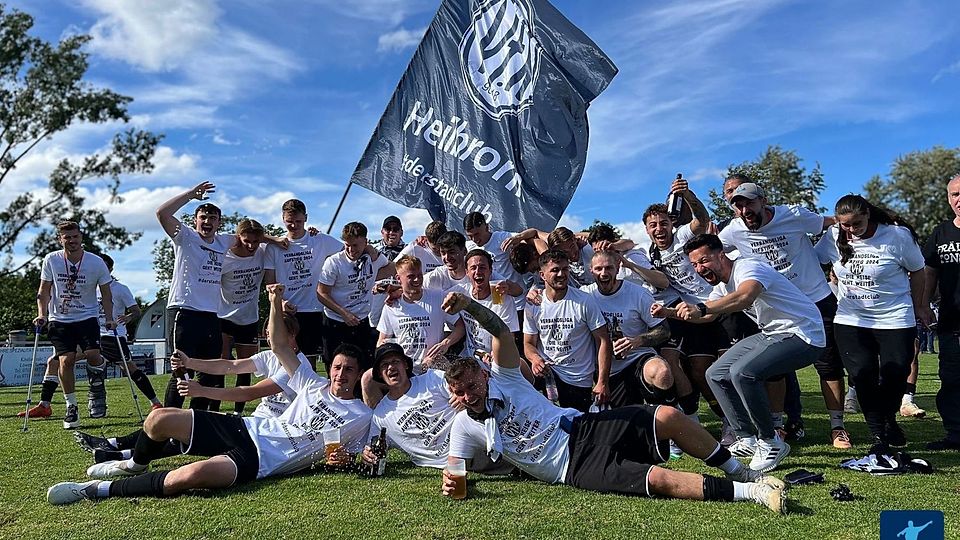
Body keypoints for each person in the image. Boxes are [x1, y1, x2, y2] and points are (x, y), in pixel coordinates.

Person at [439, 291, 787, 513]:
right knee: (658, 479)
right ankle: (752, 492)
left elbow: (501, 331)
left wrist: (469, 305)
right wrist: (452, 482)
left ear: (484, 375)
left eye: (472, 385)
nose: (469, 396)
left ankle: (741, 470)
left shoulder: (506, 378)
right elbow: (455, 471)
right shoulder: (464, 425)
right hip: (572, 468)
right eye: (460, 392)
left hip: (581, 426)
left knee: (667, 416)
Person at [47, 283, 372, 505]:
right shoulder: (310, 382)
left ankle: (96, 490)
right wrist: (274, 302)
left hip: (261, 460)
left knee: (186, 477)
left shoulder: (361, 416)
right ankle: (134, 463)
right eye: (337, 367)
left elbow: (360, 454)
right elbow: (270, 347)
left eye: (349, 370)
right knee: (159, 420)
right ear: (330, 369)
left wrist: (349, 459)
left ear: (358, 375)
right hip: (248, 428)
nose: (341, 374)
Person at [658, 234, 825, 472]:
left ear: (721, 255)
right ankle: (746, 438)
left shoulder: (748, 267)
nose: (699, 269)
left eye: (704, 261)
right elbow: (707, 317)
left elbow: (745, 296)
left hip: (804, 333)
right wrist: (670, 313)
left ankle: (770, 441)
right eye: (694, 264)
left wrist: (701, 307)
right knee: (716, 373)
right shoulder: (721, 286)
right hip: (772, 333)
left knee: (743, 372)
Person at [74, 311, 311, 462]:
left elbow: (250, 393)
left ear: (292, 336)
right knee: (183, 424)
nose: (271, 339)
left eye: (276, 334)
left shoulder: (297, 366)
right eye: (268, 334)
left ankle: (121, 452)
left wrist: (202, 391)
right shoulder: (270, 356)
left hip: (273, 431)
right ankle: (120, 449)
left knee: (191, 427)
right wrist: (189, 362)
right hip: (255, 423)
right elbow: (230, 365)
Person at [720, 177, 849, 449]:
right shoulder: (734, 231)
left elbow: (831, 223)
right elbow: (712, 251)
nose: (745, 211)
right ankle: (777, 427)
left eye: (749, 204)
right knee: (773, 370)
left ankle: (837, 428)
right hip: (777, 308)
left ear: (763, 201)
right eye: (738, 206)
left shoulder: (793, 215)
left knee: (829, 366)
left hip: (816, 300)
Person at [815, 195, 925, 450]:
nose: (851, 230)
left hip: (894, 317)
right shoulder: (833, 235)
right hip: (850, 319)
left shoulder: (896, 236)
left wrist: (919, 305)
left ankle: (888, 420)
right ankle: (879, 432)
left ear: (868, 215)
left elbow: (918, 270)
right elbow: (811, 259)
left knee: (895, 374)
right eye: (845, 225)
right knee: (863, 375)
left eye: (857, 224)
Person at [640, 181, 731, 431]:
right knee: (700, 371)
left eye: (663, 223)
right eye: (653, 225)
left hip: (721, 305)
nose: (659, 229)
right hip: (694, 314)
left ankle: (763, 422)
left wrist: (687, 195)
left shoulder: (682, 236)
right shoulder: (651, 253)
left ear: (671, 224)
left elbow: (701, 219)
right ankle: (725, 420)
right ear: (646, 229)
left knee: (730, 369)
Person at [358, 343, 510, 473]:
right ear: (379, 374)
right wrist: (368, 455)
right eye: (384, 365)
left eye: (395, 361)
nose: (391, 367)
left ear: (405, 365)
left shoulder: (432, 378)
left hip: (473, 440)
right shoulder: (380, 416)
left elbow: (464, 392)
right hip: (454, 461)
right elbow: (373, 448)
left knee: (506, 446)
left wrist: (462, 399)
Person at [156, 181, 234, 410]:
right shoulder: (185, 237)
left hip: (210, 315)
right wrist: (190, 195)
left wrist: (278, 240)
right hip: (184, 311)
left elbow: (252, 235)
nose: (207, 222)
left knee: (209, 372)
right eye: (203, 217)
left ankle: (196, 421)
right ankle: (170, 420)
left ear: (219, 223)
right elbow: (162, 213)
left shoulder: (224, 241)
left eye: (212, 218)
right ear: (195, 220)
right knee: (182, 371)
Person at [34, 221, 114, 428]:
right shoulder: (51, 260)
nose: (72, 241)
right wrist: (42, 314)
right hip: (59, 319)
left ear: (81, 237)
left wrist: (109, 317)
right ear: (60, 239)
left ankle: (97, 385)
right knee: (66, 360)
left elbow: (106, 294)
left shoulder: (96, 262)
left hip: (87, 316)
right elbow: (44, 290)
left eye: (75, 236)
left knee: (93, 354)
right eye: (67, 237)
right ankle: (71, 407)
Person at [583, 250, 676, 409]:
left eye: (609, 268)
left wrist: (637, 341)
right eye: (598, 269)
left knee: (661, 372)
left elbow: (664, 331)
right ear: (591, 270)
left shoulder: (638, 293)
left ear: (618, 268)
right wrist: (538, 295)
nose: (604, 273)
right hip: (608, 367)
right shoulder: (585, 295)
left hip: (637, 357)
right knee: (623, 418)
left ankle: (671, 413)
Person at [523, 250, 612, 412]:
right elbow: (528, 343)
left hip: (577, 380)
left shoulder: (583, 301)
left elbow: (603, 340)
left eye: (565, 269)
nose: (561, 274)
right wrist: (535, 359)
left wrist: (602, 381)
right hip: (548, 375)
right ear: (542, 275)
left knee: (578, 424)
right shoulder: (534, 304)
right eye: (555, 270)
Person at [263, 198, 342, 369]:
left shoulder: (320, 240)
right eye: (289, 221)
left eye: (298, 221)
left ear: (306, 218)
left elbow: (349, 252)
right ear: (283, 219)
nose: (294, 225)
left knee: (316, 363)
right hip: (288, 312)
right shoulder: (273, 248)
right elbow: (269, 283)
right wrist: (281, 302)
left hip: (316, 310)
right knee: (287, 364)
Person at [317, 221, 395, 371]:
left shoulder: (373, 258)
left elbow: (393, 268)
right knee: (335, 366)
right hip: (336, 321)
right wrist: (344, 313)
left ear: (365, 242)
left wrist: (376, 256)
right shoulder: (334, 262)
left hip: (361, 320)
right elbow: (321, 293)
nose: (351, 250)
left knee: (363, 366)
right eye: (347, 245)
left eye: (355, 245)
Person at [918, 173, 960, 451]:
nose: (959, 199)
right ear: (948, 199)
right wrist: (922, 305)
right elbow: (929, 272)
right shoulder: (941, 233)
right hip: (951, 321)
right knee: (952, 379)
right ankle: (955, 434)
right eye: (955, 194)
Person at [97, 254, 160, 410]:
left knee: (130, 368)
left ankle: (155, 402)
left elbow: (136, 311)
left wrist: (128, 317)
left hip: (113, 335)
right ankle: (47, 402)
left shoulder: (120, 289)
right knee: (64, 359)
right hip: (93, 334)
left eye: (104, 267)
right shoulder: (89, 287)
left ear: (110, 269)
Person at [218, 218, 267, 414]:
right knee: (221, 363)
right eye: (247, 241)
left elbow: (284, 242)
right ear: (238, 237)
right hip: (224, 316)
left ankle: (238, 412)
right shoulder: (225, 257)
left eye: (256, 242)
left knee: (245, 366)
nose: (251, 246)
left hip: (248, 318)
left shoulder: (263, 252)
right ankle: (215, 408)